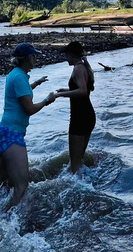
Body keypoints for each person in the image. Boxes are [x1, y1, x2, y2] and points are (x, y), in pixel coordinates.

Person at [0, 42, 57, 207]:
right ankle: (4, 221)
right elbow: (29, 108)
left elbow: (21, 93)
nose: (36, 58)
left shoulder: (15, 74)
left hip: (4, 132)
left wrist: (36, 83)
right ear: (29, 58)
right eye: (34, 56)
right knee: (22, 186)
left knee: (2, 182)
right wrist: (47, 100)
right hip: (11, 134)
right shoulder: (19, 77)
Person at [55, 41, 96, 174]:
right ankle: (88, 179)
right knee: (79, 159)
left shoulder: (78, 68)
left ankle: (81, 189)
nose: (65, 58)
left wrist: (61, 94)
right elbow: (83, 89)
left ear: (72, 54)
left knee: (75, 165)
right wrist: (66, 89)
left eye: (66, 55)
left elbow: (83, 92)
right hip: (88, 115)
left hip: (80, 117)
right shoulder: (84, 67)